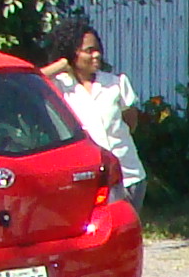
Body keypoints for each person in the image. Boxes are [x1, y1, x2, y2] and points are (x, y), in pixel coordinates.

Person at [43, 18, 147, 207]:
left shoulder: (116, 83)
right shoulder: (60, 87)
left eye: (98, 49)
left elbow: (131, 122)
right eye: (89, 51)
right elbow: (31, 80)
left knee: (128, 232)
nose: (96, 55)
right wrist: (61, 65)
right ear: (72, 54)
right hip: (92, 180)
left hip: (130, 175)